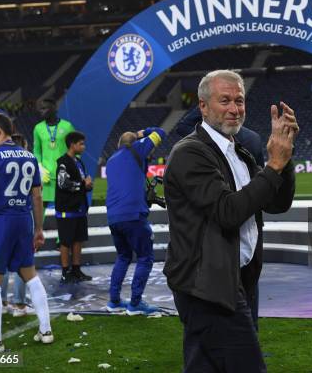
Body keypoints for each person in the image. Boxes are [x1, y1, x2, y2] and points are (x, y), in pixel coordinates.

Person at [164, 70, 298, 372]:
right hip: (207, 287)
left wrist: (284, 161)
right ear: (203, 106)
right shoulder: (190, 153)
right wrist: (273, 165)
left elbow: (278, 203)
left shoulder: (239, 150)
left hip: (236, 279)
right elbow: (228, 212)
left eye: (239, 100)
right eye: (224, 100)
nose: (234, 108)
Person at [175, 104, 265, 330]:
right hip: (249, 240)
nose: (233, 108)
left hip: (215, 252)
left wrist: (207, 104)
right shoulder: (253, 139)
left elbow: (182, 126)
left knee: (212, 339)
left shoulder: (195, 146)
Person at [0, 113, 53, 352]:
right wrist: (38, 228)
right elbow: (37, 196)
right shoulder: (30, 157)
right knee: (31, 275)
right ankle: (46, 330)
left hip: (0, 220)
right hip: (24, 220)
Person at [105, 126, 166, 315]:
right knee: (145, 257)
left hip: (113, 216)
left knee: (123, 256)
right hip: (133, 215)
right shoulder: (137, 149)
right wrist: (140, 135)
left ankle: (114, 301)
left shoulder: (111, 159)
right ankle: (135, 303)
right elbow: (161, 132)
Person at [0, 133, 34, 317]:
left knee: (2, 261)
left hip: (4, 216)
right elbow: (37, 193)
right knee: (23, 261)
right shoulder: (31, 162)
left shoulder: (0, 163)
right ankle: (20, 305)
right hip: (23, 214)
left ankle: (2, 301)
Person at [55, 131, 93, 283]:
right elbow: (63, 183)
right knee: (66, 241)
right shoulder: (63, 162)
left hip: (79, 208)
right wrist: (83, 184)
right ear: (72, 144)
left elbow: (81, 184)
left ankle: (76, 270)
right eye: (81, 144)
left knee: (78, 240)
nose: (83, 147)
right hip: (67, 209)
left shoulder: (78, 162)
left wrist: (87, 186)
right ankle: (65, 272)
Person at [33, 98, 75, 209]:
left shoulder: (67, 126)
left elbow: (75, 149)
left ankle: (64, 227)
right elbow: (37, 150)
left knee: (64, 208)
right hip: (46, 177)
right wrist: (39, 167)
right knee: (41, 207)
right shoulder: (38, 128)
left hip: (64, 175)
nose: (41, 111)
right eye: (40, 109)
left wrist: (71, 167)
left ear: (54, 108)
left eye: (44, 108)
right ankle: (39, 227)